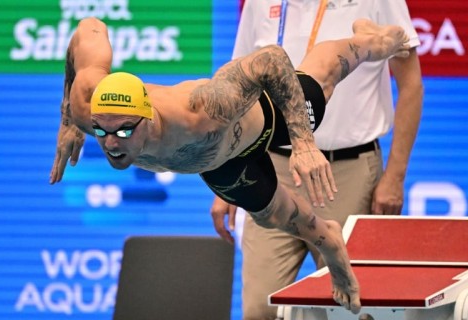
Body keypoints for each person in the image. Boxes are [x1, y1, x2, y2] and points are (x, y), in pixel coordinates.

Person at [49, 17, 411, 314]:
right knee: (275, 216)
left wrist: (303, 143)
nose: (111, 143)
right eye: (101, 130)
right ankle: (331, 240)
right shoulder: (88, 106)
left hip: (265, 120)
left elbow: (271, 59)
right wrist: (68, 120)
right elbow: (88, 28)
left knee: (322, 79)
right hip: (219, 164)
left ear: (146, 119)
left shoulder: (201, 110)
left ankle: (373, 41)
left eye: (124, 131)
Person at [209, 0, 423, 319]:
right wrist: (227, 174)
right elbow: (238, 91)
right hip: (273, 169)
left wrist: (395, 176)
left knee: (349, 309)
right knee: (258, 309)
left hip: (347, 173)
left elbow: (411, 86)